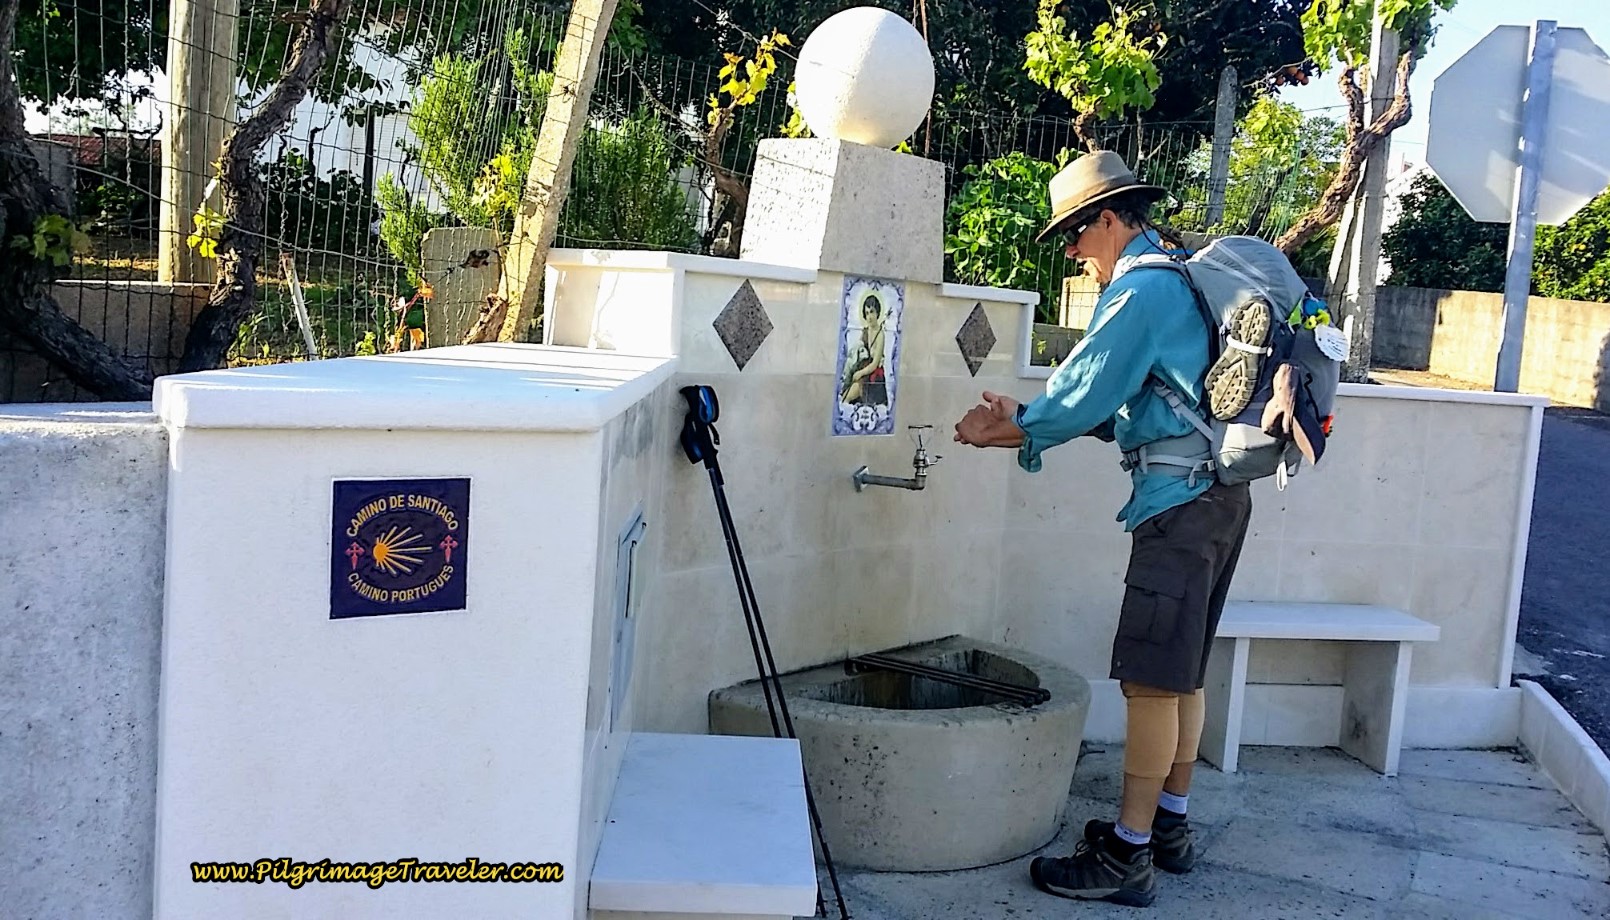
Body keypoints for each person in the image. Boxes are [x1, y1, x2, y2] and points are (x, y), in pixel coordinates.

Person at [953, 150, 1253, 908]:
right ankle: (1169, 825)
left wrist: (1011, 429)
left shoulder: (1141, 292)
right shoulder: (1180, 278)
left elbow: (1082, 392)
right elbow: (1131, 404)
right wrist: (1031, 418)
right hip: (1219, 497)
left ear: (1110, 220)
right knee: (1182, 674)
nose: (1073, 252)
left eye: (1075, 234)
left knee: (1150, 681)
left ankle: (1128, 853)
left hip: (1178, 508)